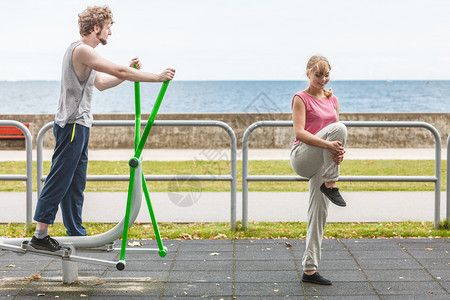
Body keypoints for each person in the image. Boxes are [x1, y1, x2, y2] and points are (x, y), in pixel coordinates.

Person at [29, 6, 175, 252]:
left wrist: (130, 73)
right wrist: (157, 77)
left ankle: (77, 234)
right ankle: (40, 235)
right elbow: (117, 70)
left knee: (75, 183)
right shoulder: (82, 50)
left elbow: (104, 83)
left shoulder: (87, 54)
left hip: (80, 126)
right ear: (96, 28)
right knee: (60, 179)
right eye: (108, 27)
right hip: (73, 125)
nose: (110, 32)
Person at [290, 55, 347, 285]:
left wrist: (338, 153)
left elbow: (336, 137)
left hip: (323, 161)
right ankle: (331, 183)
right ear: (308, 74)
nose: (322, 79)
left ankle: (310, 270)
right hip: (303, 155)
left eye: (326, 75)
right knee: (340, 127)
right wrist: (328, 146)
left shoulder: (332, 99)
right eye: (317, 75)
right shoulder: (300, 98)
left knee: (318, 214)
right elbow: (300, 133)